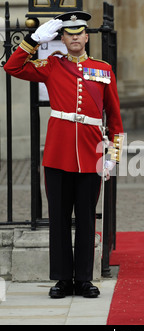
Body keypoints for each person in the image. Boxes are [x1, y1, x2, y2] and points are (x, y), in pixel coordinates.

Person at [4, 12, 123, 298]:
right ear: (62, 38)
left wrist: (114, 156)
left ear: (86, 36)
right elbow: (12, 67)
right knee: (58, 218)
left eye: (79, 33)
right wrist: (32, 40)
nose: (74, 38)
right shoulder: (51, 66)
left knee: (86, 218)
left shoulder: (103, 69)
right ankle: (62, 279)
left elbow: (116, 119)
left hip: (90, 151)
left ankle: (84, 279)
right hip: (58, 154)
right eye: (68, 34)